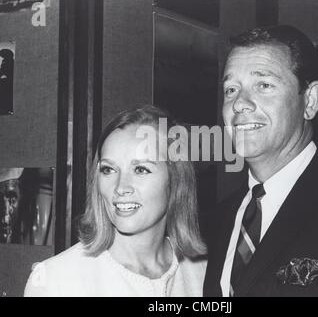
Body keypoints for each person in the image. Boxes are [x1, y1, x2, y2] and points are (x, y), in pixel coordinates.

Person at [203, 25, 318, 296]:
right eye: (231, 89)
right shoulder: (217, 222)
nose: (239, 103)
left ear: (310, 100)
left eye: (264, 85)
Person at [25, 105, 206, 296]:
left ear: (176, 180)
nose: (120, 188)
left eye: (141, 170)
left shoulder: (205, 273)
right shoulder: (55, 281)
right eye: (108, 170)